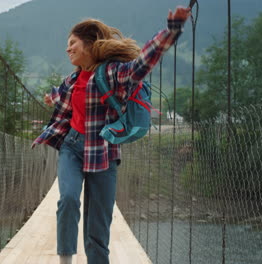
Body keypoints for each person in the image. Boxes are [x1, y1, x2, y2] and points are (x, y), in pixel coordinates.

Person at [31, 5, 191, 264]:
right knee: (68, 199)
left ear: (90, 45)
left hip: (104, 152)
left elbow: (143, 63)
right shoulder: (70, 81)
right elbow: (59, 95)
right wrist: (51, 97)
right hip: (71, 148)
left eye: (72, 43)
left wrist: (171, 31)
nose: (67, 48)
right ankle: (65, 261)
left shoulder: (112, 73)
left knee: (98, 229)